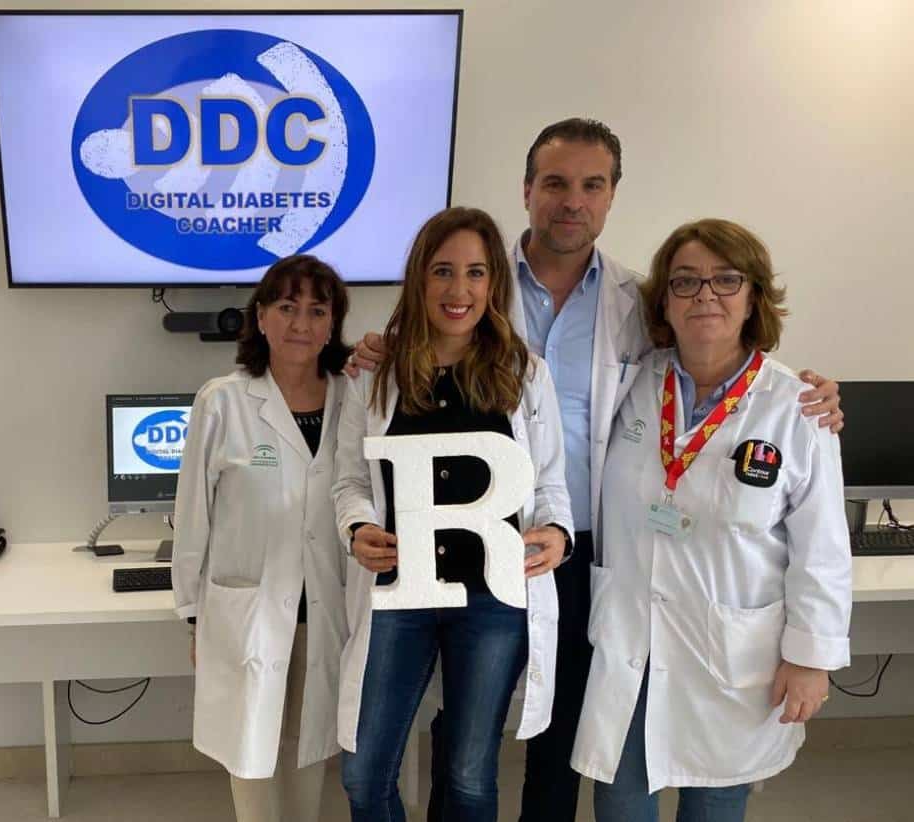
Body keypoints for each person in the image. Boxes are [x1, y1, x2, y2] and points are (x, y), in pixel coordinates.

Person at [352, 118, 845, 822]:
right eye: (555, 183)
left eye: (592, 185)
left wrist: (811, 392)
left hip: (582, 547)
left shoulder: (637, 304)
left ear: (612, 195)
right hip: (474, 541)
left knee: (563, 730)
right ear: (527, 190)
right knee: (465, 725)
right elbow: (423, 349)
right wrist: (373, 348)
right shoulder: (479, 282)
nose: (572, 201)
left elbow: (725, 363)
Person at [572, 218, 853, 821]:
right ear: (664, 302)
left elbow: (823, 549)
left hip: (732, 658)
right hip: (632, 640)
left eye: (726, 280)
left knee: (715, 804)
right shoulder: (628, 385)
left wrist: (811, 658)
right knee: (619, 801)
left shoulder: (797, 407)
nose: (705, 295)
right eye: (685, 281)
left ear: (753, 297)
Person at [333, 206, 574, 822]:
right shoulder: (375, 373)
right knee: (363, 773)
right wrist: (357, 528)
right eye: (442, 271)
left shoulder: (524, 373)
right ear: (419, 278)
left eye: (475, 272)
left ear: (494, 283)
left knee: (469, 776)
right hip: (399, 593)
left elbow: (550, 480)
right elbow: (350, 481)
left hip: (491, 598)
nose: (458, 289)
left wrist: (556, 532)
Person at [171, 255, 352, 822]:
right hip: (247, 607)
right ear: (262, 317)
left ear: (332, 324)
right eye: (287, 307)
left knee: (308, 746)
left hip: (327, 606)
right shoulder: (222, 400)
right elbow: (193, 515)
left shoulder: (355, 397)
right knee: (250, 749)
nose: (301, 323)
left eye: (317, 311)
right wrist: (195, 616)